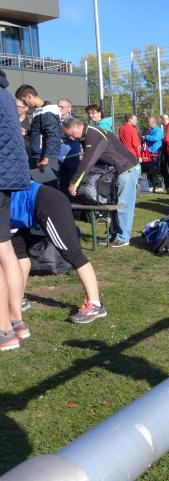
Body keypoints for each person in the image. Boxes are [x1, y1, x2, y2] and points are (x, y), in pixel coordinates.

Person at [11, 181, 106, 323]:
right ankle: (18, 298)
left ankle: (94, 304)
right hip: (23, 213)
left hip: (45, 202)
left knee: (71, 253)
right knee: (17, 253)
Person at [63, 117, 141, 248]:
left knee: (123, 204)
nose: (70, 138)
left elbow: (88, 161)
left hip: (126, 168)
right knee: (114, 203)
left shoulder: (92, 134)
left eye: (69, 134)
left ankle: (123, 238)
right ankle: (114, 235)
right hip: (117, 170)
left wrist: (74, 183)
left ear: (76, 127)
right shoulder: (88, 135)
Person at [0, 69, 32, 350]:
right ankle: (16, 321)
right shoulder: (6, 95)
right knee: (5, 250)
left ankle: (3, 330)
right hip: (9, 177)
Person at [15, 84, 60, 186]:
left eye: (23, 101)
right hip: (37, 156)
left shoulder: (48, 111)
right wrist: (27, 132)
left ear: (29, 96)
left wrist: (46, 159)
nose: (23, 104)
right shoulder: (38, 111)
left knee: (47, 189)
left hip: (44, 158)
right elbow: (41, 133)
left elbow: (52, 136)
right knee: (39, 188)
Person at [56, 99, 81, 192]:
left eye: (62, 107)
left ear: (69, 108)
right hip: (57, 157)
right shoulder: (54, 120)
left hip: (71, 157)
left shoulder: (74, 122)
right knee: (61, 183)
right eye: (58, 106)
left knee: (72, 182)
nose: (59, 108)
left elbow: (78, 136)